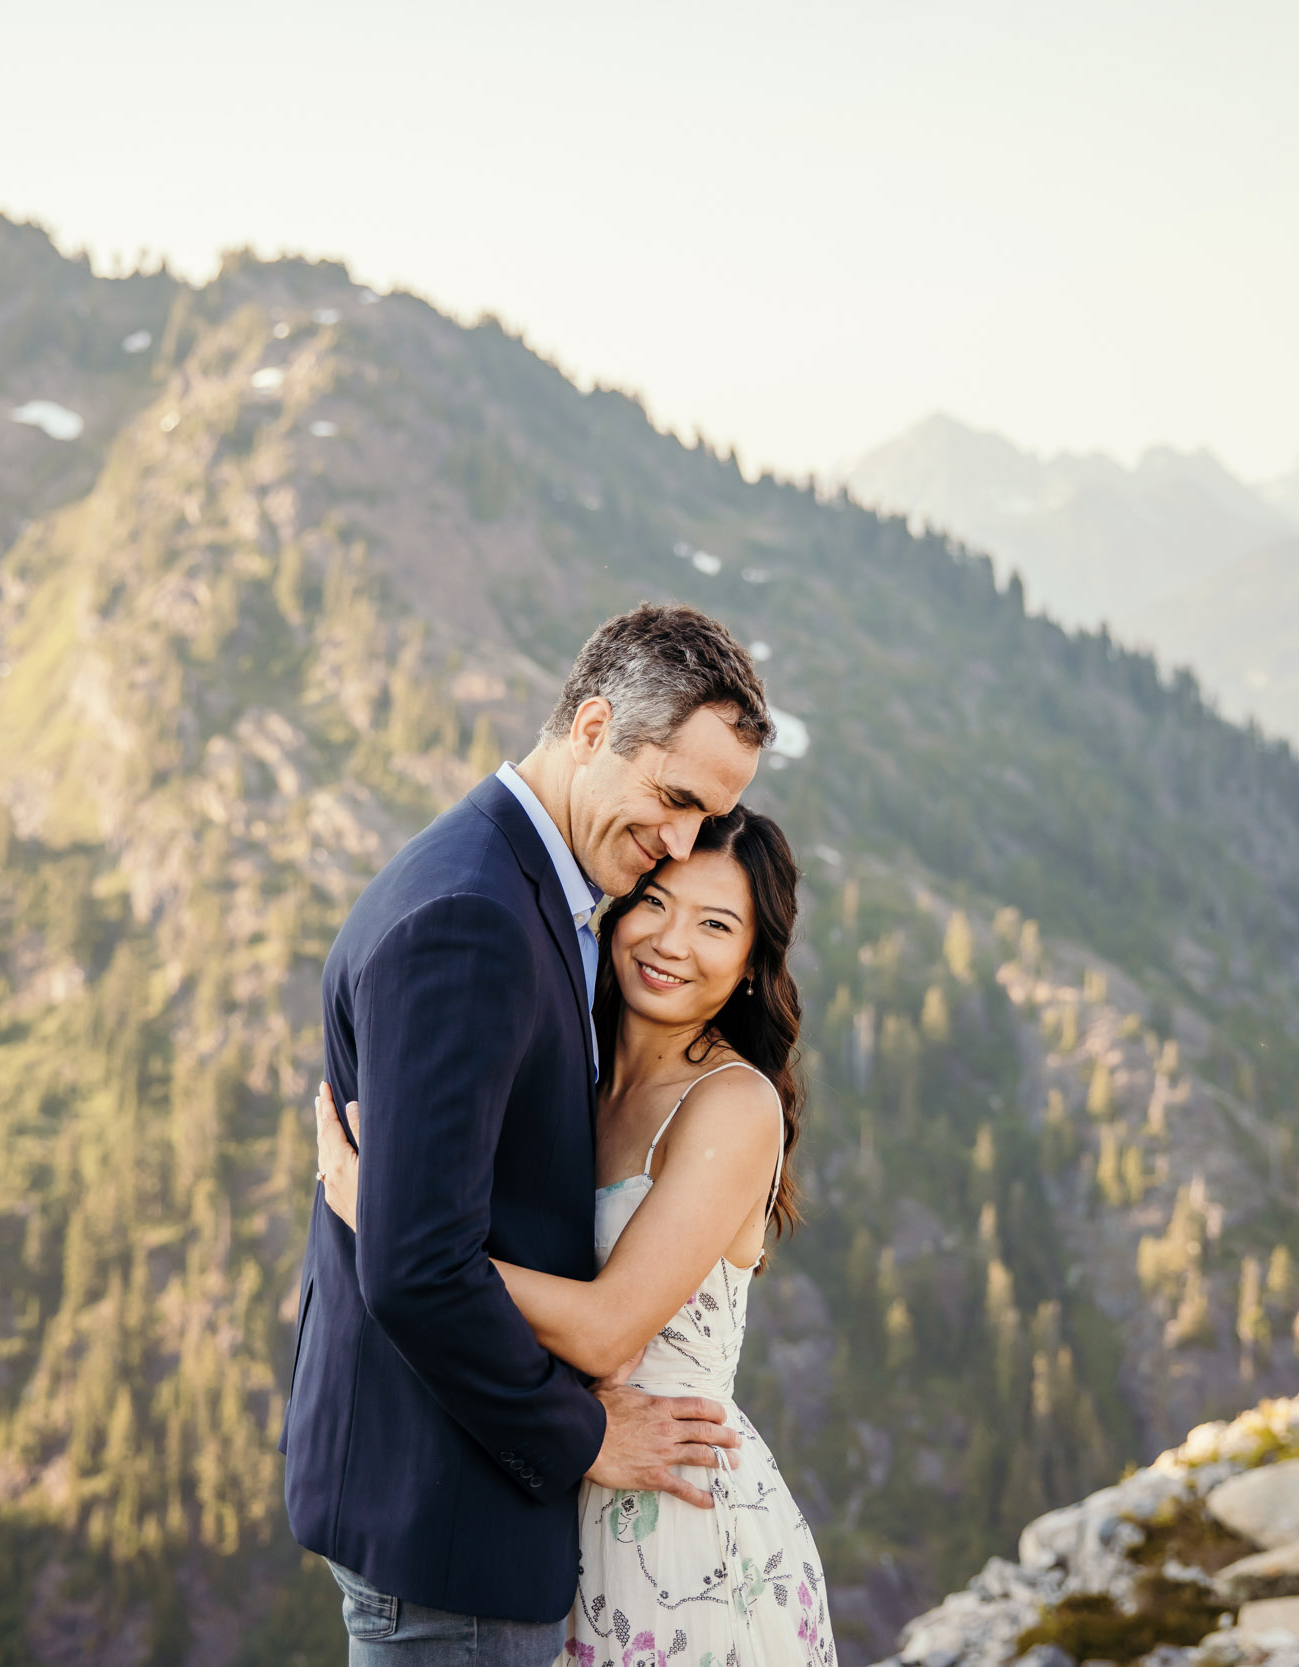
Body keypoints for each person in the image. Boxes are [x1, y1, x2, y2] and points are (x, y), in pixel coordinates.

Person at [281, 604, 773, 1667]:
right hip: (454, 1513)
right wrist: (589, 1435)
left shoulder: (522, 886)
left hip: (473, 1504)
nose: (679, 843)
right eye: (674, 797)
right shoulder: (475, 917)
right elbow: (416, 1269)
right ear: (593, 727)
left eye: (709, 816)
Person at [315, 802, 837, 1667]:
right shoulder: (575, 1070)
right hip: (553, 1485)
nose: (671, 941)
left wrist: (393, 1225)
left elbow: (606, 1327)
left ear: (752, 963)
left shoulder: (732, 1104)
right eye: (656, 902)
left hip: (674, 1519)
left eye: (715, 924)